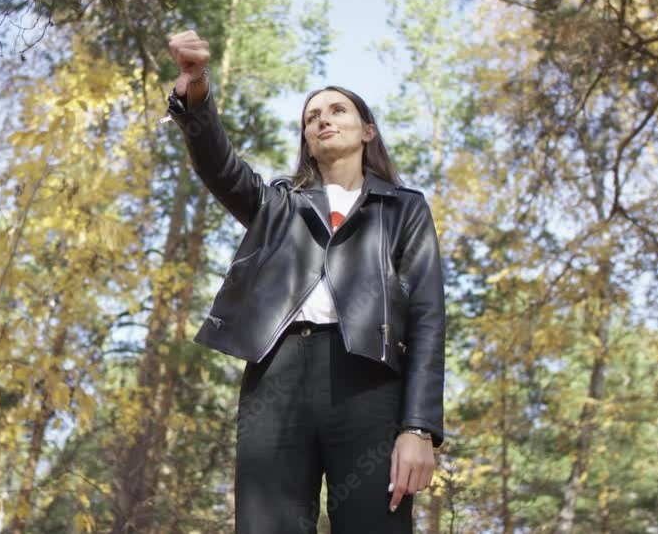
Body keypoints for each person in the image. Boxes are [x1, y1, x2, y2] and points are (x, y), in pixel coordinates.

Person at [164, 30, 446, 534]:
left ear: (367, 132)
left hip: (369, 382)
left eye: (337, 110)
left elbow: (427, 317)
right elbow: (220, 167)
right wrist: (198, 89)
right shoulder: (278, 203)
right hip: (276, 375)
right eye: (312, 116)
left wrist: (419, 427)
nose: (322, 119)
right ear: (307, 141)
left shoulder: (404, 209)